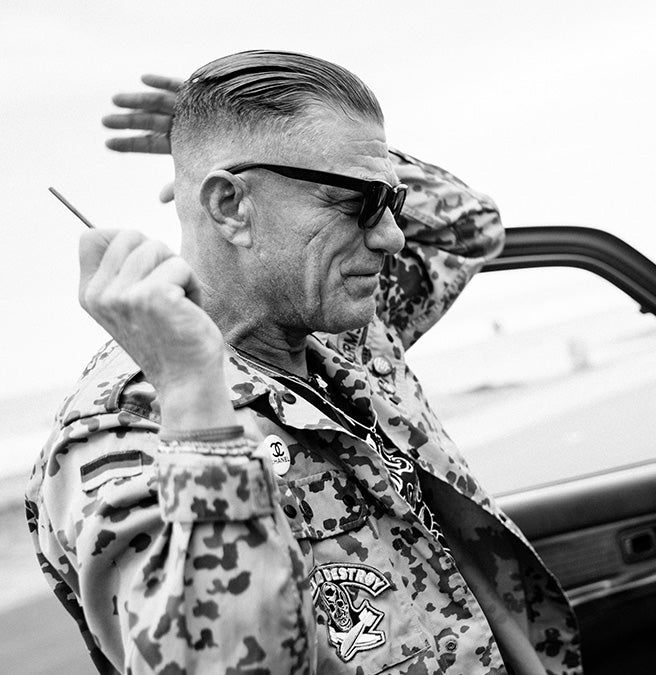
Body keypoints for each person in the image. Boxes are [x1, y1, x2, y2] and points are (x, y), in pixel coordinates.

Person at [26, 50, 582, 675]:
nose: (392, 235)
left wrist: (228, 134)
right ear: (232, 207)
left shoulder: (348, 333)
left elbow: (470, 227)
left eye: (392, 200)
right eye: (358, 201)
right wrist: (195, 404)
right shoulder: (126, 432)